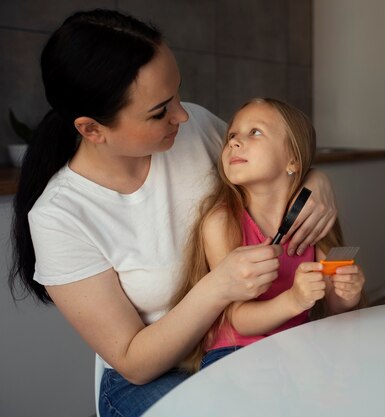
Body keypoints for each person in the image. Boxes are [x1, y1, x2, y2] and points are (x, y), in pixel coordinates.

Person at [8, 10, 338, 417]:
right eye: (160, 111)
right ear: (93, 130)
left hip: (246, 349)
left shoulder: (195, 128)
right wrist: (220, 285)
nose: (182, 114)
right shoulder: (60, 216)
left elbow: (273, 161)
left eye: (177, 94)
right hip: (158, 373)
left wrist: (315, 179)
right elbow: (134, 361)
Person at [171, 98, 365, 371]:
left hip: (296, 345)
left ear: (293, 160)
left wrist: (347, 294)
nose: (235, 142)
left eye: (255, 132)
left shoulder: (311, 218)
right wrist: (294, 300)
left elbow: (333, 307)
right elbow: (238, 318)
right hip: (235, 351)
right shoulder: (222, 223)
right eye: (232, 136)